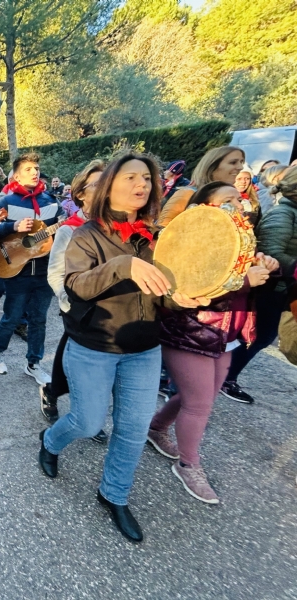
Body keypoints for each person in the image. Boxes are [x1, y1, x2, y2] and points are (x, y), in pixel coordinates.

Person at [38, 152, 207, 543]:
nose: (141, 184)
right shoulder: (84, 235)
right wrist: (124, 266)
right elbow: (75, 285)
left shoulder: (156, 238)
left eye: (147, 179)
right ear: (110, 184)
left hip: (144, 350)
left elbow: (164, 295)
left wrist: (187, 299)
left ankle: (113, 494)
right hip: (94, 348)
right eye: (131, 176)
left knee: (131, 430)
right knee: (88, 421)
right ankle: (49, 443)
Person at [148, 182, 278, 504]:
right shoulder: (192, 237)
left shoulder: (237, 240)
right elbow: (193, 290)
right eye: (227, 200)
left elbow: (244, 286)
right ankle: (189, 464)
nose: (237, 204)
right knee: (199, 403)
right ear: (204, 206)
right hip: (190, 331)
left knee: (200, 396)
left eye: (239, 198)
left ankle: (156, 427)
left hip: (225, 334)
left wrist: (265, 267)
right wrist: (245, 279)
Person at [42, 159, 106, 446]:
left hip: (112, 314)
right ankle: (53, 393)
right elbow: (55, 273)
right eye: (98, 184)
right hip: (79, 309)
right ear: (80, 193)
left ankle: (90, 416)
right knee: (71, 357)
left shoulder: (120, 226)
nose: (106, 188)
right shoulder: (71, 228)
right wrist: (69, 304)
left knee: (102, 369)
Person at [221, 165, 297, 403]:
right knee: (257, 335)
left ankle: (225, 376)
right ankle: (225, 378)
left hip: (283, 288)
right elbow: (270, 252)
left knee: (262, 335)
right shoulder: (284, 214)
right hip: (270, 286)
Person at [0, 153, 63, 384]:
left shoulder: (51, 200)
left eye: (37, 168)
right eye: (28, 168)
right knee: (13, 317)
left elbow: (61, 229)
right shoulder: (6, 201)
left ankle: (34, 363)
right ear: (16, 175)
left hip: (43, 269)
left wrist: (68, 227)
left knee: (39, 319)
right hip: (16, 269)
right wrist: (13, 225)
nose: (35, 172)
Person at [158, 147, 245, 227]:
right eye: (233, 162)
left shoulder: (234, 194)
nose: (240, 167)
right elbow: (162, 233)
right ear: (212, 166)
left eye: (241, 162)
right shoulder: (188, 193)